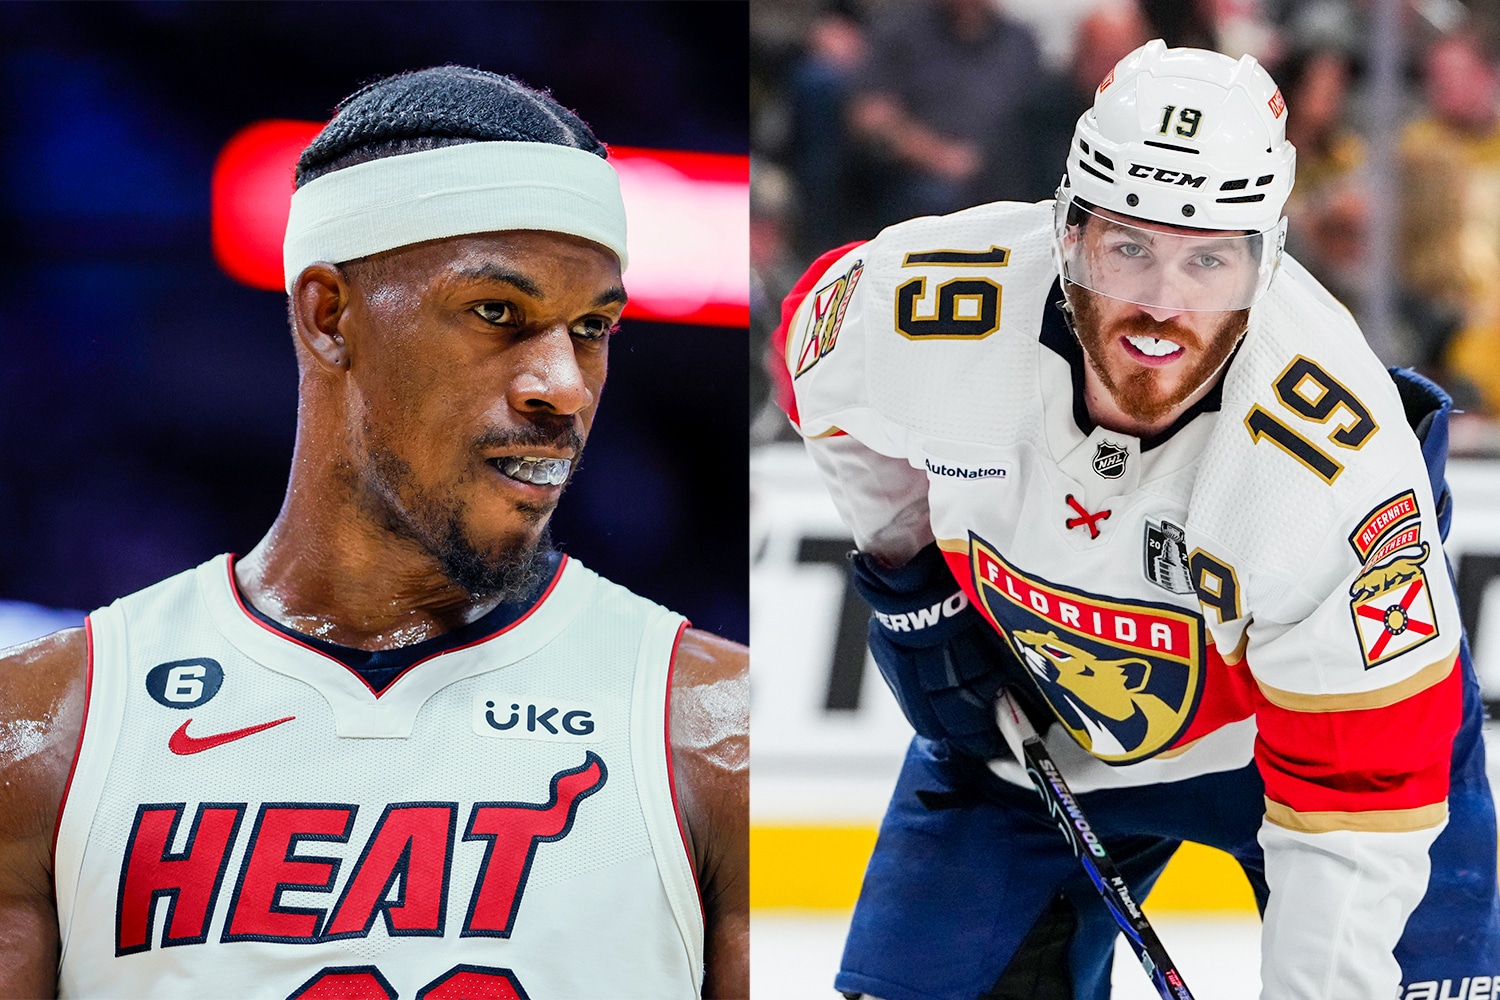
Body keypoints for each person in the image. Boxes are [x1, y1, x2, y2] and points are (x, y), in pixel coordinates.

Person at [0, 67, 748, 1000]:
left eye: (592, 327)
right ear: (329, 316)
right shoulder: (42, 735)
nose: (564, 385)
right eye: (497, 314)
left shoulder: (718, 737)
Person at [774, 40, 1499, 999]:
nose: (1162, 308)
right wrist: (909, 574)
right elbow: (813, 373)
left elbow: (1358, 813)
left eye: (1208, 260)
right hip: (1033, 729)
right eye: (1129, 247)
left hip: (1309, 746)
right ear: (1068, 231)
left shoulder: (1335, 470)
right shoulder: (929, 301)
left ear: (1267, 259)